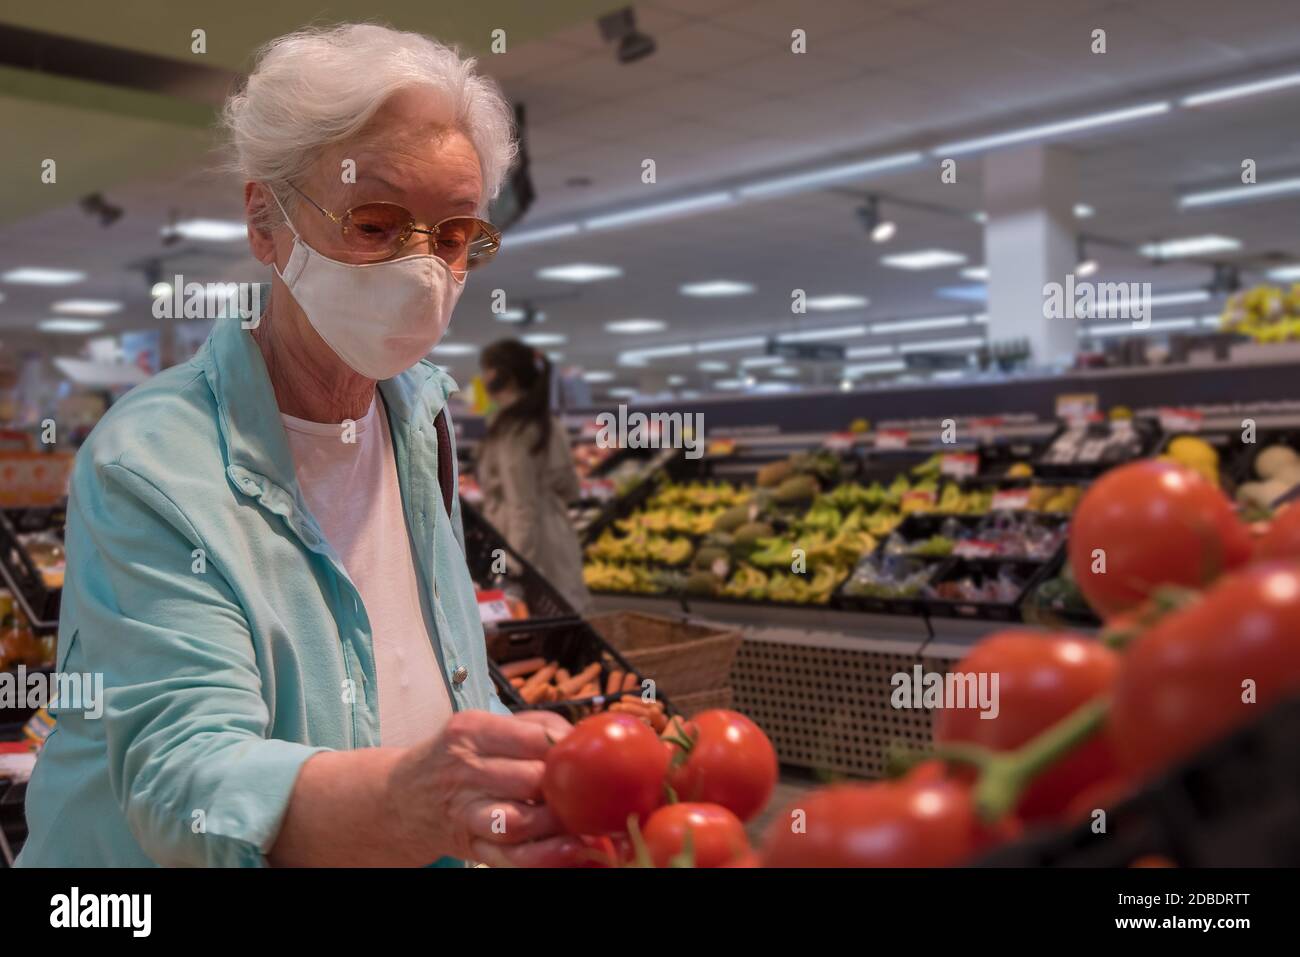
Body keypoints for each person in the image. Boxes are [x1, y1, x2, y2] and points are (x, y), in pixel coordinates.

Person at [18, 23, 579, 868]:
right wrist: (424, 803)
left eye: (455, 236)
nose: (423, 273)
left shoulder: (419, 417)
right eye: (375, 224)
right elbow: (188, 787)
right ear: (265, 221)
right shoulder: (151, 464)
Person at [476, 341, 592, 613]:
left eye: (487, 371)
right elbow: (571, 489)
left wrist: (514, 567)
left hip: (526, 547)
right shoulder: (549, 425)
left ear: (505, 376)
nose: (482, 379)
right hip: (556, 537)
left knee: (534, 631)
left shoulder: (512, 432)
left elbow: (521, 506)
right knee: (567, 625)